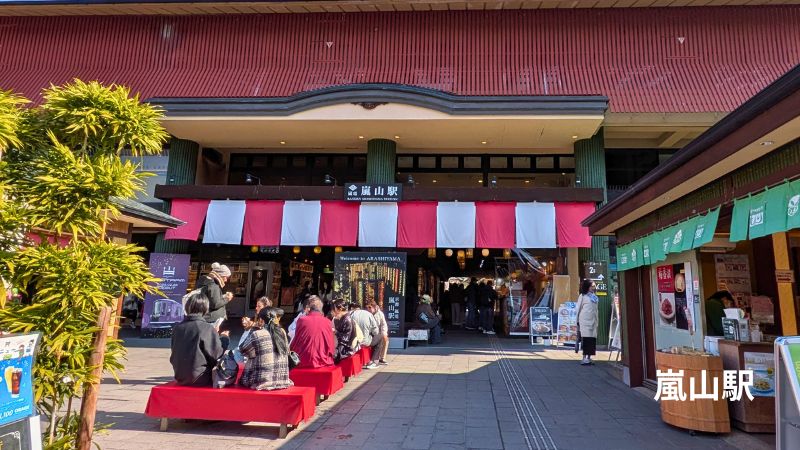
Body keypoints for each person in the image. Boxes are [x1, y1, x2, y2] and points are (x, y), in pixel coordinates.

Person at [170, 292, 230, 387]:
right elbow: (217, 354)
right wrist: (224, 338)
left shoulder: (177, 328)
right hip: (200, 377)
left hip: (179, 376)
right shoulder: (205, 328)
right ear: (205, 308)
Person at [239, 307, 293, 391]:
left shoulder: (257, 334)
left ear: (261, 320)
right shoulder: (282, 332)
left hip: (262, 382)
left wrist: (252, 328)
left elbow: (242, 350)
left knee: (251, 356)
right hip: (283, 380)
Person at [290, 296, 336, 369]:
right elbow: (331, 345)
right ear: (321, 309)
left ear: (309, 309)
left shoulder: (302, 320)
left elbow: (296, 341)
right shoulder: (328, 322)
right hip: (323, 361)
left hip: (303, 359)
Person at [234, 296, 272, 362]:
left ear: (265, 308)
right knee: (237, 350)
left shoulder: (268, 322)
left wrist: (252, 325)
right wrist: (248, 325)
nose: (256, 308)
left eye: (259, 306)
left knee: (237, 351)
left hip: (260, 351)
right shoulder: (258, 318)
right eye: (256, 306)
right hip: (254, 349)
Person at [350, 302, 383, 369]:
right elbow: (375, 331)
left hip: (352, 341)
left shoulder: (350, 314)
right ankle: (373, 361)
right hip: (365, 341)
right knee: (380, 337)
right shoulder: (368, 314)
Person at [575, 279, 599, 366]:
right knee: (586, 339)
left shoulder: (594, 296)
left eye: (594, 286)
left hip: (593, 320)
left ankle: (589, 358)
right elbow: (578, 309)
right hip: (585, 321)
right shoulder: (582, 296)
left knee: (592, 339)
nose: (593, 287)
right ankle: (584, 358)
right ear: (587, 287)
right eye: (592, 286)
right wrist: (577, 321)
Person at [366, 301, 389, 365]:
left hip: (378, 332)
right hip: (369, 332)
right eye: (367, 308)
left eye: (370, 307)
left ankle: (382, 358)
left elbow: (383, 324)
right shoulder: (367, 314)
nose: (369, 309)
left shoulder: (380, 314)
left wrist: (384, 333)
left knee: (385, 339)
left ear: (374, 307)